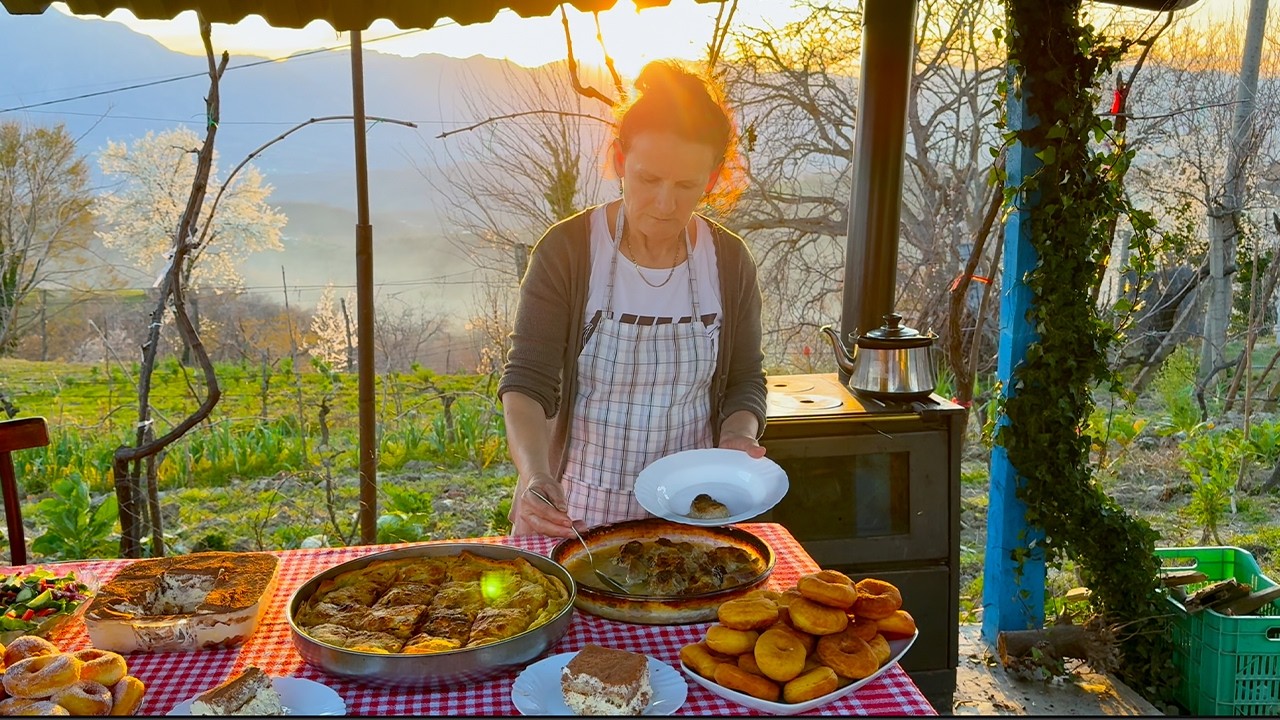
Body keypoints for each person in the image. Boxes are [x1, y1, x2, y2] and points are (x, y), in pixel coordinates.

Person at [498, 60, 767, 538]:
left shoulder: (728, 262)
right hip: (573, 514)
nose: (665, 205)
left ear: (710, 180)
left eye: (686, 186)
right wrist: (534, 474)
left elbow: (744, 380)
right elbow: (527, 382)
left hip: (691, 516)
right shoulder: (569, 252)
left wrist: (738, 435)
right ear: (621, 162)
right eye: (648, 179)